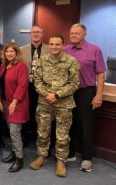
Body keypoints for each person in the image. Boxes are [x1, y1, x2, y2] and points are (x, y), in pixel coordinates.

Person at [29, 35, 80, 177]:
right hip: (44, 102)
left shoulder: (71, 61)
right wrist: (47, 95)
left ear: (63, 45)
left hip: (64, 104)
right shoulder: (41, 61)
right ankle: (41, 156)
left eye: (57, 44)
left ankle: (61, 161)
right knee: (42, 131)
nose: (54, 46)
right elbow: (37, 80)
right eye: (51, 44)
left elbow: (74, 83)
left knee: (62, 135)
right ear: (49, 45)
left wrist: (57, 95)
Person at [64, 23, 106, 172]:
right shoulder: (65, 50)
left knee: (86, 126)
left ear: (84, 35)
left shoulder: (95, 50)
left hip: (86, 92)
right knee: (70, 124)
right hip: (68, 92)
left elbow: (100, 74)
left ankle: (87, 158)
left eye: (76, 33)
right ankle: (71, 152)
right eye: (71, 33)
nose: (73, 35)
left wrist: (99, 94)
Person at [0, 42, 29, 172]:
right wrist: (0, 100)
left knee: (14, 132)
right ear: (4, 53)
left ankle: (19, 159)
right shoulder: (3, 66)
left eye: (12, 51)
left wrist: (14, 102)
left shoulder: (21, 66)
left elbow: (22, 86)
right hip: (6, 102)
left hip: (17, 103)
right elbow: (1, 84)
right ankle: (14, 152)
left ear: (16, 53)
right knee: (10, 129)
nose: (9, 54)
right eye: (7, 51)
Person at [20, 25, 49, 147]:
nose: (36, 34)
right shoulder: (22, 50)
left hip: (43, 87)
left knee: (42, 114)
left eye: (38, 32)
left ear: (42, 34)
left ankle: (40, 140)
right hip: (27, 86)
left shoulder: (49, 49)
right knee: (27, 112)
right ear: (30, 34)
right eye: (33, 32)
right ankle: (26, 137)